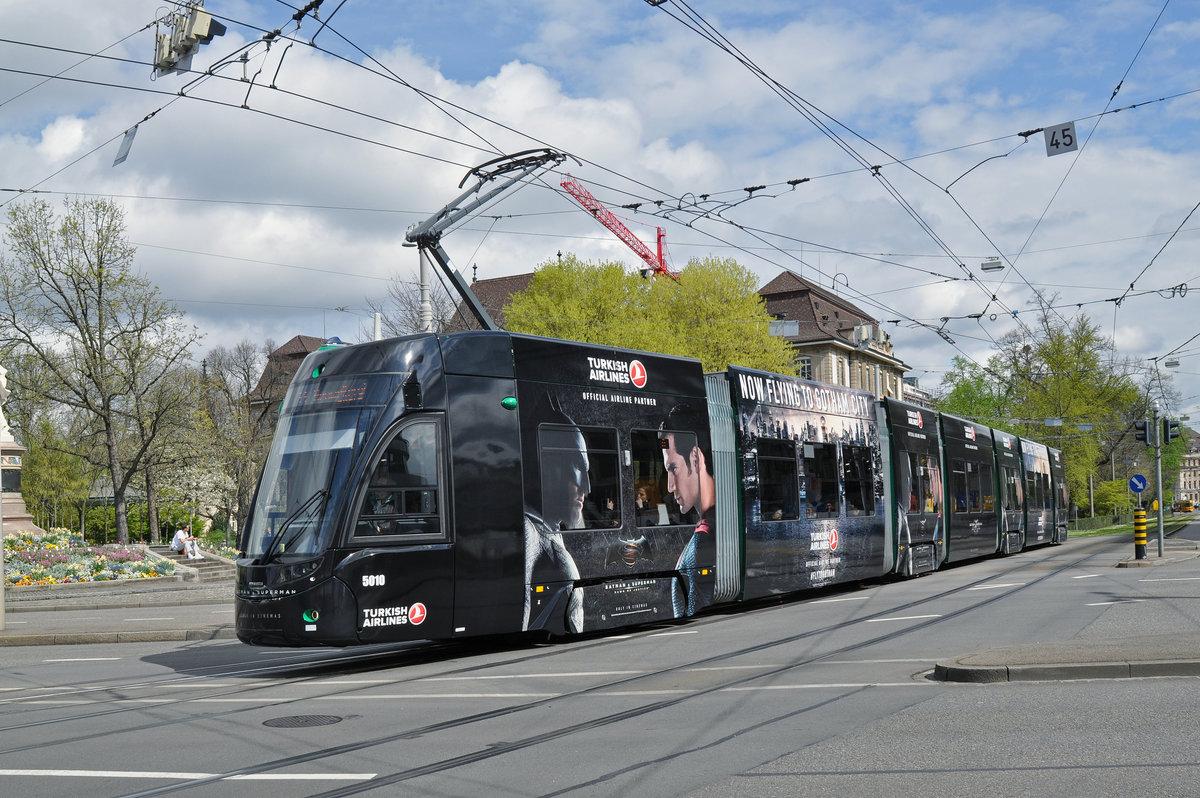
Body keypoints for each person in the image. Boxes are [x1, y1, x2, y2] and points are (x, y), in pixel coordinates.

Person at [523, 396, 586, 633]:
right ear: (549, 468)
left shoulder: (550, 528)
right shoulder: (529, 530)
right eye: (577, 467)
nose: (586, 487)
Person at [661, 402, 716, 618]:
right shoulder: (710, 527)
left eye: (673, 468)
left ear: (695, 459)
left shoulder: (703, 540)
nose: (669, 486)